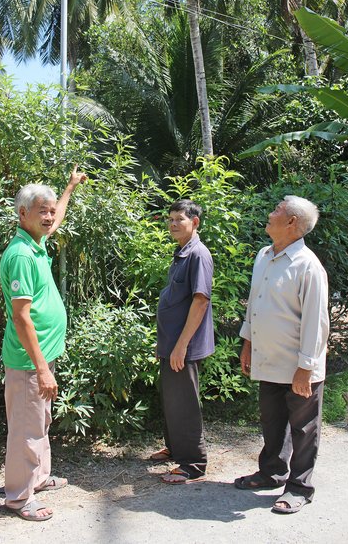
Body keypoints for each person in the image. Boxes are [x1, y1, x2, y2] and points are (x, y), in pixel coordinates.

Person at [0, 165, 87, 522]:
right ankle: (19, 497)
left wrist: (69, 188)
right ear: (23, 214)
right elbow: (21, 318)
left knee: (40, 421)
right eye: (42, 211)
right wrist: (40, 369)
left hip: (43, 355)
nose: (50, 217)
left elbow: (57, 217)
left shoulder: (35, 241)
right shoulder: (21, 255)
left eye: (51, 211)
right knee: (26, 429)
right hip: (27, 361)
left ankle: (39, 477)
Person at [235, 195, 329, 514]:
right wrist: (247, 343)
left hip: (298, 365)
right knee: (273, 422)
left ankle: (300, 487)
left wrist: (306, 368)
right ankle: (271, 472)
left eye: (276, 209)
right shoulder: (264, 255)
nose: (270, 213)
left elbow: (317, 322)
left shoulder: (308, 266)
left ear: (291, 222)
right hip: (269, 359)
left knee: (303, 429)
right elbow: (255, 304)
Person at [150, 199, 215, 484]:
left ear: (195, 222)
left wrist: (181, 345)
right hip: (172, 343)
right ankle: (177, 449)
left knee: (185, 402)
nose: (173, 224)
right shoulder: (182, 253)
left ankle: (193, 464)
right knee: (172, 399)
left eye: (180, 219)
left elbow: (200, 301)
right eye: (170, 219)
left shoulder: (198, 254)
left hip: (183, 346)